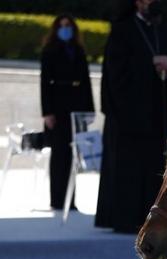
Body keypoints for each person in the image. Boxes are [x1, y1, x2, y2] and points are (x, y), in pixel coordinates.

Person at [95, 0, 167, 234]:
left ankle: (151, 218)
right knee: (128, 169)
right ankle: (125, 220)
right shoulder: (122, 29)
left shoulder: (162, 29)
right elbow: (115, 72)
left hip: (155, 113)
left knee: (154, 167)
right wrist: (150, 64)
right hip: (128, 116)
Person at [40, 14, 94, 212]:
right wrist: (47, 112)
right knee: (59, 153)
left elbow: (86, 82)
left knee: (73, 154)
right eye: (62, 26)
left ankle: (70, 200)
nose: (65, 29)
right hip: (57, 105)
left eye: (68, 26)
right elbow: (44, 83)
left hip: (76, 105)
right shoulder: (50, 50)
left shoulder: (79, 51)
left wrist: (89, 110)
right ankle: (56, 199)